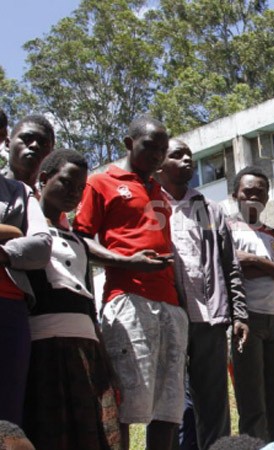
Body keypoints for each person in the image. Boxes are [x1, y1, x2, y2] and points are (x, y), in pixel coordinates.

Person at [73, 116, 189, 450]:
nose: (157, 155)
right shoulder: (101, 182)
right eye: (150, 146)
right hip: (128, 300)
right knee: (127, 403)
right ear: (128, 143)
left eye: (162, 149)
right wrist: (126, 261)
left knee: (169, 408)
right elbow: (80, 239)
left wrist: (182, 307)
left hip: (171, 307)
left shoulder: (159, 191)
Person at [23, 149, 121, 450]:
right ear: (43, 179)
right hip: (45, 349)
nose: (74, 193)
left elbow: (88, 303)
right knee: (51, 431)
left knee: (90, 434)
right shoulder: (25, 232)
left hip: (87, 348)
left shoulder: (79, 242)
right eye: (66, 182)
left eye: (80, 188)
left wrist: (104, 358)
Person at [156, 139, 249, 450]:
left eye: (189, 155)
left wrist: (239, 312)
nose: (187, 160)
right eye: (177, 155)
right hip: (168, 316)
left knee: (214, 403)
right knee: (170, 405)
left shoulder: (210, 209)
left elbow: (230, 264)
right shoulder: (150, 205)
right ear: (159, 164)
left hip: (210, 317)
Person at [228, 166, 274, 444]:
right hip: (246, 320)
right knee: (252, 404)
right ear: (235, 195)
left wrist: (255, 261)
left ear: (268, 197)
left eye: (261, 192)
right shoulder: (225, 229)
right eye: (248, 191)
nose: (254, 196)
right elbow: (231, 269)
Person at [0, 150, 52, 426]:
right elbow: (18, 235)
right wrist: (10, 231)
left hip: (9, 309)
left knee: (7, 415)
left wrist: (5, 252)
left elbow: (41, 245)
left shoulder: (19, 191)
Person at [3, 114, 55, 192]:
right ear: (7, 144)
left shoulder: (44, 200)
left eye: (44, 144)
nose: (35, 145)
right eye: (26, 138)